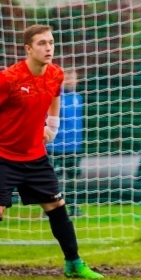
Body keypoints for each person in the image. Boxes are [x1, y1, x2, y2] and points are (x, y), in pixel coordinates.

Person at [0, 24, 103, 280]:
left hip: (35, 156)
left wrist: (53, 125)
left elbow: (55, 93)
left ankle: (74, 263)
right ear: (28, 48)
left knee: (57, 206)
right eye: (42, 43)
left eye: (51, 42)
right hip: (2, 157)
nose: (48, 48)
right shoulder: (9, 77)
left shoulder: (56, 74)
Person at [47, 69, 84, 218]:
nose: (70, 80)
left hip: (73, 145)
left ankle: (74, 207)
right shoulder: (55, 96)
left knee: (73, 178)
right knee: (53, 177)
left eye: (73, 77)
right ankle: (51, 208)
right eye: (67, 77)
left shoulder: (78, 97)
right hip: (55, 145)